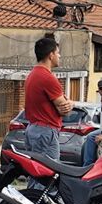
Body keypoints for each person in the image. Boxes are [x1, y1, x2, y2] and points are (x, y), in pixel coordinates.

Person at [24, 37, 73, 183]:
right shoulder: (48, 78)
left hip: (33, 129)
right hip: (46, 133)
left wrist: (68, 103)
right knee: (47, 177)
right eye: (58, 53)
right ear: (50, 55)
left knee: (35, 175)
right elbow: (64, 110)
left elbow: (64, 105)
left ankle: (29, 203)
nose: (59, 56)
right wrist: (70, 104)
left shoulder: (33, 75)